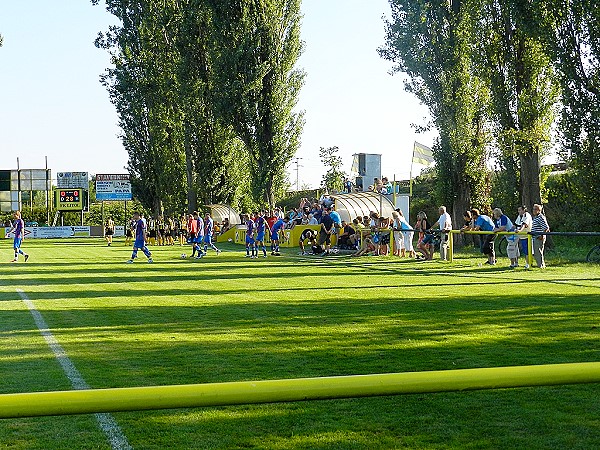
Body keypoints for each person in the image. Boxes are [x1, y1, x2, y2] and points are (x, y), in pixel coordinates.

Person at [531, 203, 550, 268]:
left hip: (538, 237)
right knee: (537, 252)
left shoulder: (541, 217)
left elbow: (546, 227)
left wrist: (542, 236)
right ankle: (540, 265)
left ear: (539, 210)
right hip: (535, 237)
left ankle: (541, 266)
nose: (533, 210)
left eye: (535, 209)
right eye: (533, 209)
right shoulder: (535, 217)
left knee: (538, 252)